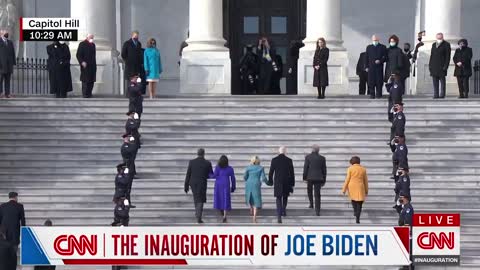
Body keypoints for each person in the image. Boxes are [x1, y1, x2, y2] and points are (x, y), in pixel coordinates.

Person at [184, 148, 213, 224]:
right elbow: (210, 174)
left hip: (193, 183)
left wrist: (186, 186)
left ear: (197, 154)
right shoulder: (207, 163)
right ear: (204, 154)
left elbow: (188, 174)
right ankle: (199, 217)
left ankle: (197, 213)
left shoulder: (192, 162)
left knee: (196, 197)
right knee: (201, 199)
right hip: (202, 183)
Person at [268, 146, 295, 224]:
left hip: (278, 182)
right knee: (285, 197)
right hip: (287, 182)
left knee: (278, 198)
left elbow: (271, 172)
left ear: (278, 151)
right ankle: (283, 210)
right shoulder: (289, 160)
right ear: (285, 152)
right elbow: (292, 173)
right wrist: (292, 183)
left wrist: (270, 181)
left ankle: (279, 216)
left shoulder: (274, 160)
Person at [341, 156, 368, 224]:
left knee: (353, 200)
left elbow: (347, 179)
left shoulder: (350, 169)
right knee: (359, 203)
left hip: (352, 186)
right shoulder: (363, 169)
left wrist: (344, 189)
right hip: (360, 187)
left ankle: (355, 211)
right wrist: (366, 190)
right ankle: (357, 218)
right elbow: (365, 181)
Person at [303, 144, 327, 216]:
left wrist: (304, 177)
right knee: (317, 195)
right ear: (318, 150)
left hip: (309, 177)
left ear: (312, 149)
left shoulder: (308, 157)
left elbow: (305, 168)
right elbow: (324, 170)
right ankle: (317, 211)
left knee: (309, 191)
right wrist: (324, 180)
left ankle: (311, 204)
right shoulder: (322, 158)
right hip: (319, 178)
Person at [211, 155, 236, 223]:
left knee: (219, 198)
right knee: (225, 199)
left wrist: (207, 174)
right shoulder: (230, 168)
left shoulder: (217, 167)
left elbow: (214, 176)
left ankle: (221, 211)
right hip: (226, 184)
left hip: (218, 184)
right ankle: (224, 216)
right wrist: (233, 187)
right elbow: (233, 178)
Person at [244, 156, 269, 223]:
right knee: (256, 199)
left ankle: (251, 207)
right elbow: (263, 178)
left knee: (250, 196)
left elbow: (245, 177)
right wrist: (268, 182)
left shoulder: (248, 167)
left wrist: (247, 180)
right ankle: (254, 217)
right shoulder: (261, 168)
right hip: (256, 184)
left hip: (249, 183)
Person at [429, 33, 451, 99]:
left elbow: (448, 56)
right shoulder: (433, 44)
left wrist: (446, 66)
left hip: (442, 65)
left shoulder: (446, 44)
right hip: (434, 65)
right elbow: (431, 55)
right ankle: (436, 94)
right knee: (435, 81)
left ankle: (442, 94)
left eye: (440, 37)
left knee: (442, 81)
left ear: (442, 37)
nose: (439, 38)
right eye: (438, 37)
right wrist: (430, 65)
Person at [365, 35, 387, 99]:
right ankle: (372, 94)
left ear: (378, 40)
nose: (375, 41)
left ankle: (379, 94)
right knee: (371, 82)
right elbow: (366, 57)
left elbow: (385, 57)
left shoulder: (383, 47)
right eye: (374, 40)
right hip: (371, 68)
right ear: (372, 40)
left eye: (376, 40)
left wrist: (380, 61)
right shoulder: (369, 47)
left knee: (379, 81)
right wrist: (366, 66)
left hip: (379, 68)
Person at [76, 34, 97, 98]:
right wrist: (82, 62)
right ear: (87, 37)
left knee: (91, 80)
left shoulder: (93, 45)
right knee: (85, 80)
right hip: (85, 65)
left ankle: (89, 93)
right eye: (91, 37)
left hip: (92, 65)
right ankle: (85, 94)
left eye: (92, 37)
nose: (92, 39)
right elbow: (78, 54)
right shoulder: (82, 44)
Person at [121, 135, 138, 207]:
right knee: (126, 188)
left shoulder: (130, 145)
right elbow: (129, 151)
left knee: (128, 188)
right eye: (128, 138)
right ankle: (124, 203)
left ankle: (127, 202)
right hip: (127, 166)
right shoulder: (125, 146)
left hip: (130, 167)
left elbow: (134, 150)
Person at [0, 29, 15, 98]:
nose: (7, 34)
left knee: (7, 80)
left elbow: (13, 53)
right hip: (1, 65)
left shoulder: (10, 42)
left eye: (7, 33)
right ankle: (0, 93)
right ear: (1, 34)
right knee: (0, 79)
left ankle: (7, 93)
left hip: (9, 65)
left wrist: (13, 62)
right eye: (5, 33)